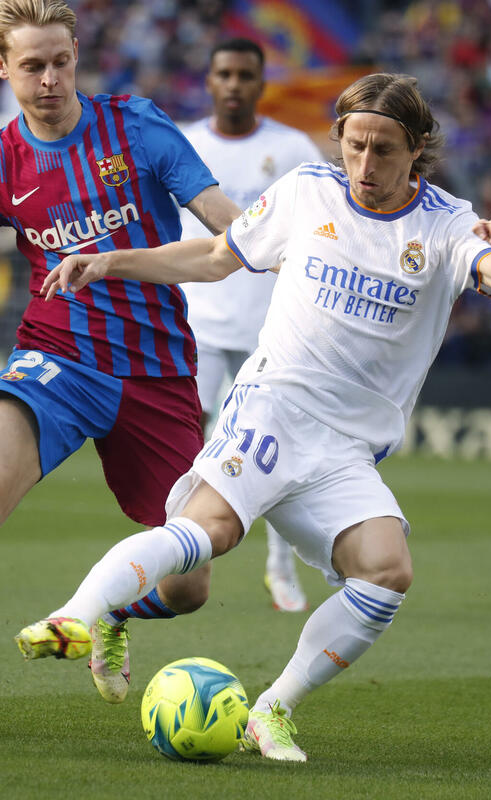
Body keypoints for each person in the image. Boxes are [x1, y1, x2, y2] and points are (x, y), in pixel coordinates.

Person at [17, 72, 491, 762]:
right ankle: (75, 617)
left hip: (347, 448)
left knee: (386, 570)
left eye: (384, 149)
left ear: (417, 149)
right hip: (274, 406)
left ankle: (271, 710)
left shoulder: (445, 223)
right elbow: (215, 256)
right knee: (210, 535)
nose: (365, 164)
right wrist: (111, 261)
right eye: (354, 145)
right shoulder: (306, 191)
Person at [0, 0, 242, 715]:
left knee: (190, 585)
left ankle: (111, 612)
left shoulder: (138, 128)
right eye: (33, 66)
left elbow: (230, 235)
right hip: (56, 356)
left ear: (76, 55)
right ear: (2, 67)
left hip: (156, 371)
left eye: (62, 61)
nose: (51, 79)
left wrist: (275, 241)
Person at [177, 38, 323, 614]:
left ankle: (280, 567)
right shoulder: (185, 144)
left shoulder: (291, 149)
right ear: (209, 81)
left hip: (272, 330)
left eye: (245, 75)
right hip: (197, 325)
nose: (234, 84)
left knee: (276, 449)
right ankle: (181, 557)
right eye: (225, 74)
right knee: (187, 443)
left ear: (261, 84)